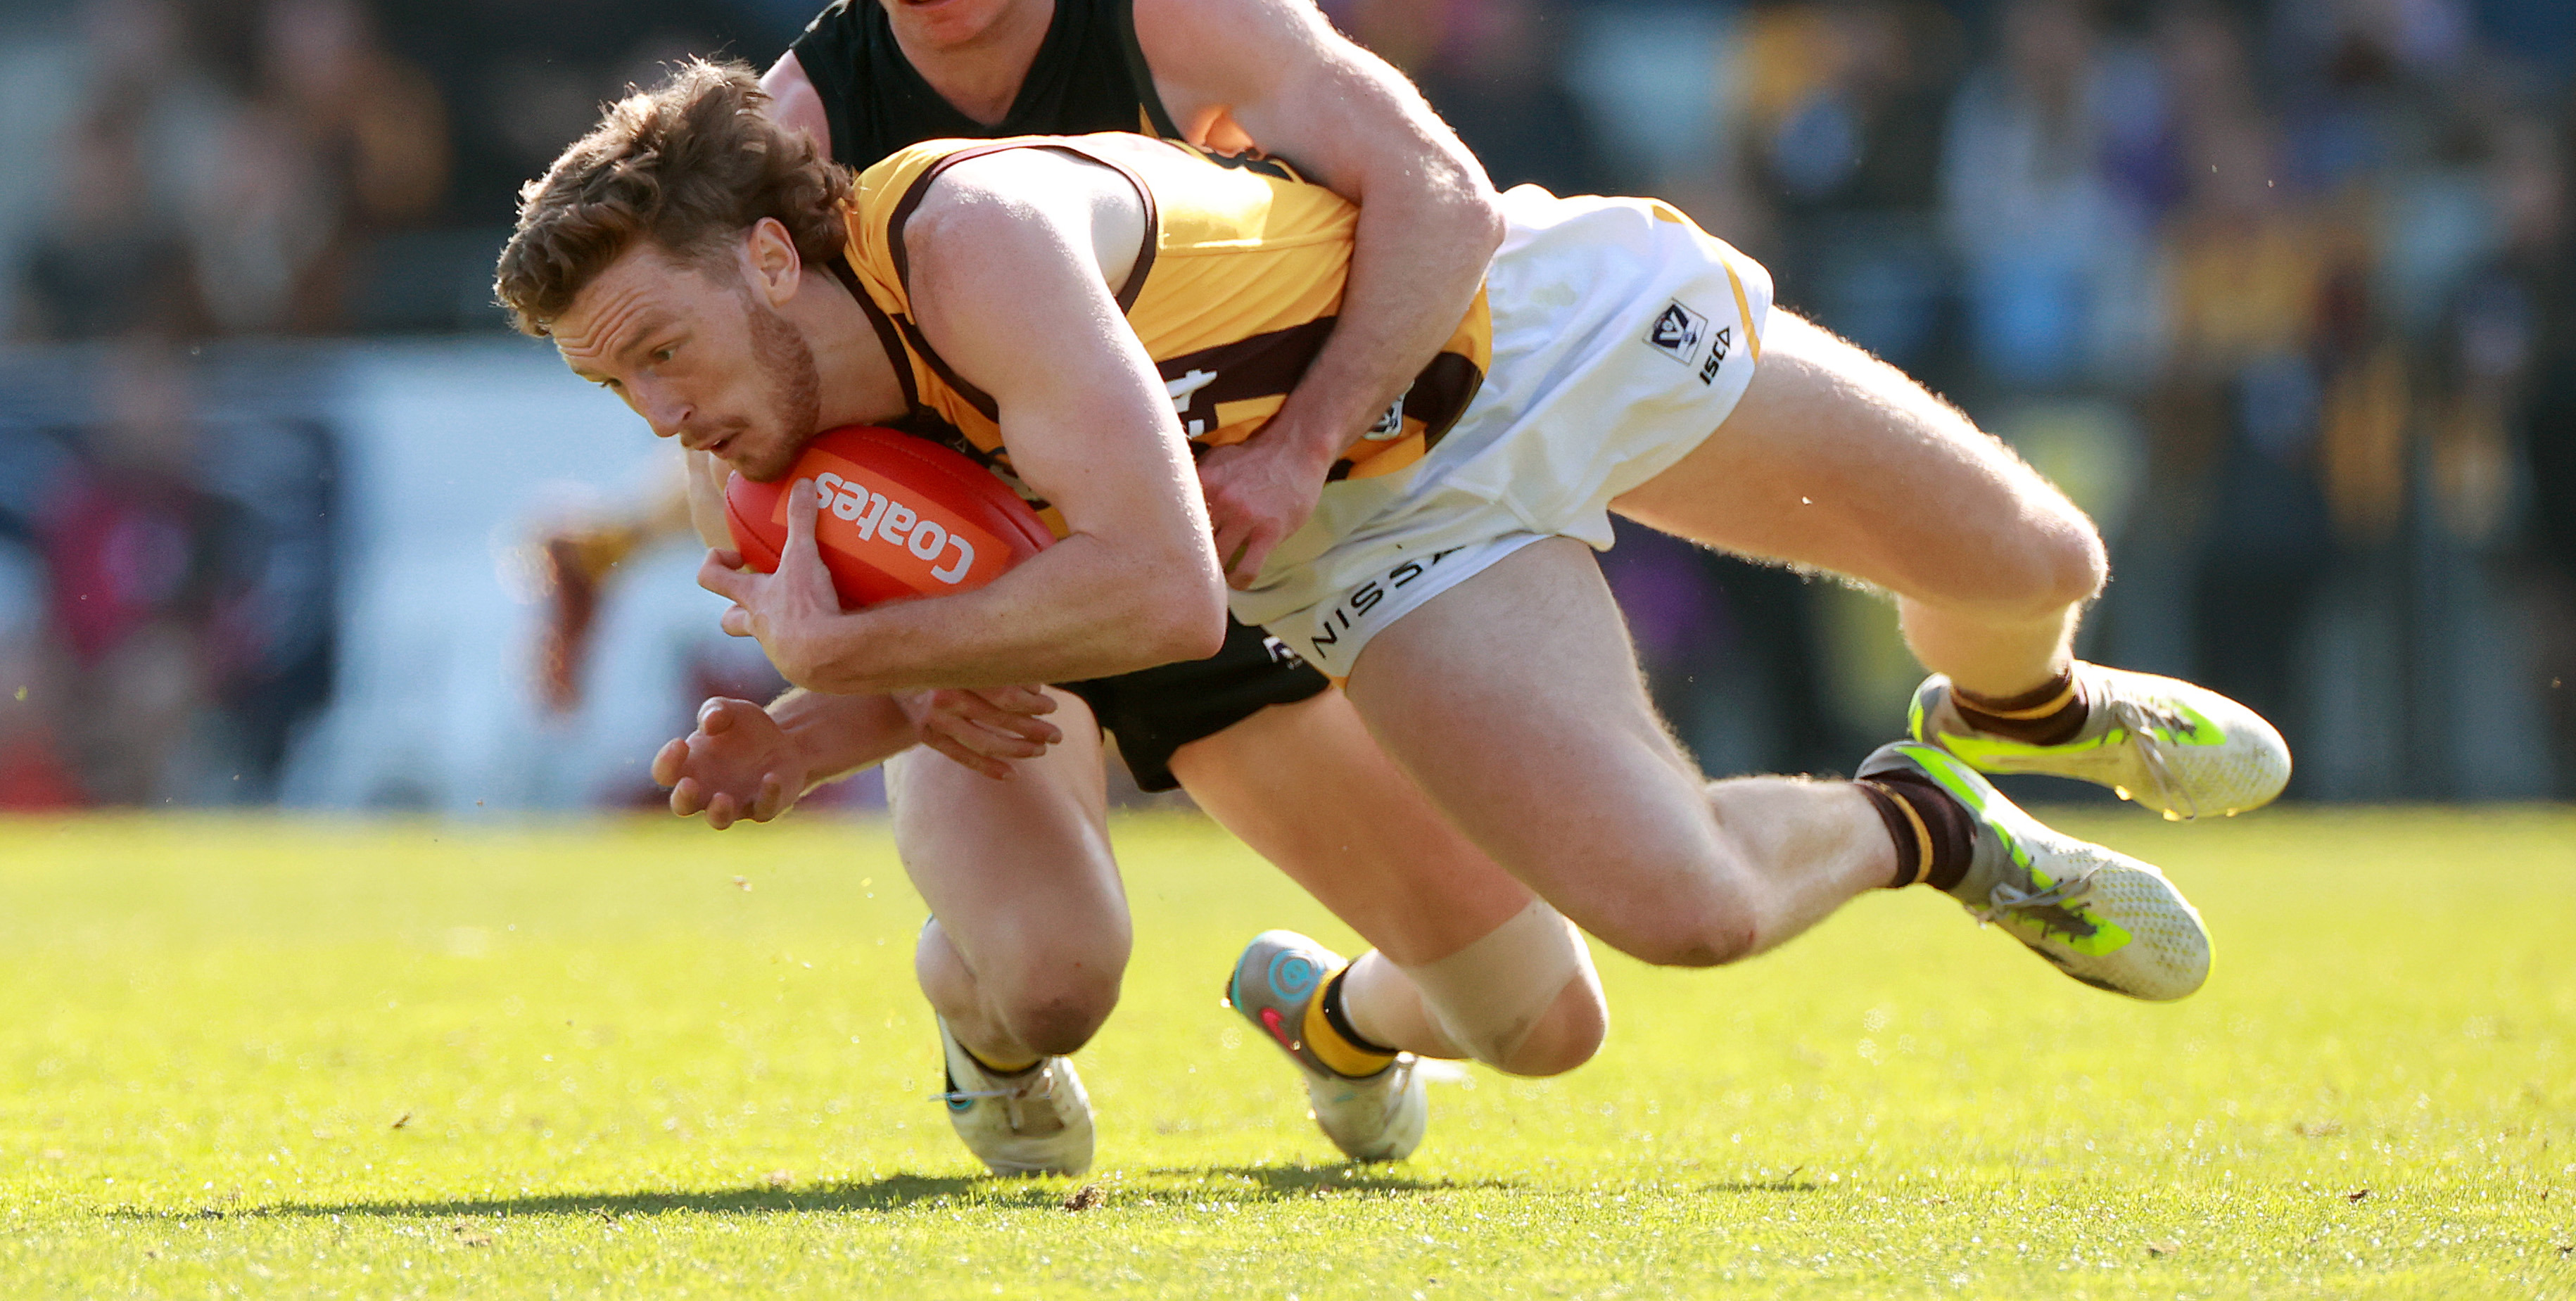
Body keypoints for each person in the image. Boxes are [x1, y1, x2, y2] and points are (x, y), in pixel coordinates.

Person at [496, 57, 2296, 1159]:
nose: (657, 406)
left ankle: (2028, 704)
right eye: (617, 385)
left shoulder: (972, 237)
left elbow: (1152, 581)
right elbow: (1040, 609)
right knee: (1669, 927)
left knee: (2035, 562)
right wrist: (831, 714)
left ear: (764, 254)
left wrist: (843, 659)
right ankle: (1927, 820)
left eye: (658, 349)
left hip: (1531, 328)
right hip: (1378, 539)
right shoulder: (786, 444)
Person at [528, 0, 1618, 1177]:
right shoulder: (798, 136)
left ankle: (1334, 1014)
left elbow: (1440, 196)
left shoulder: (1183, 16)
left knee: (1544, 1021)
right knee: (1051, 977)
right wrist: (894, 666)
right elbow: (734, 452)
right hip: (986, 593)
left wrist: (1300, 443)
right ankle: (980, 1033)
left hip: (1212, 566)